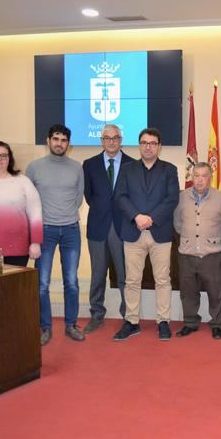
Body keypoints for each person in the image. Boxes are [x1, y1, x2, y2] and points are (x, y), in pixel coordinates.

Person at [113, 128, 179, 342]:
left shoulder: (170, 170)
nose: (148, 146)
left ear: (159, 146)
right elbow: (120, 197)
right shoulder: (126, 169)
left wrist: (150, 219)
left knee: (162, 279)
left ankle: (163, 321)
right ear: (139, 145)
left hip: (160, 233)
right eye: (144, 142)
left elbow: (171, 200)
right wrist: (136, 217)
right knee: (132, 280)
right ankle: (131, 321)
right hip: (133, 232)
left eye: (152, 143)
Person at [26, 124, 85, 346]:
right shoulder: (34, 168)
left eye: (64, 140)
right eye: (56, 139)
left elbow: (78, 197)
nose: (59, 143)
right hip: (45, 231)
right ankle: (45, 327)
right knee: (42, 283)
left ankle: (71, 325)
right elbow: (29, 201)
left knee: (71, 282)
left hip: (71, 230)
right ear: (48, 140)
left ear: (68, 144)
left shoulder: (77, 168)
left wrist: (66, 214)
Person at [82, 124, 135, 333]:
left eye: (115, 138)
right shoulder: (90, 164)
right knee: (97, 274)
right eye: (106, 138)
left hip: (123, 227)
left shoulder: (133, 164)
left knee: (124, 274)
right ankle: (96, 314)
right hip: (97, 226)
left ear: (120, 140)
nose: (111, 141)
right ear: (101, 141)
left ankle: (128, 316)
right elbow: (88, 194)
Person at [173, 162, 221, 339]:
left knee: (215, 291)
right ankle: (190, 322)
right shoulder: (181, 197)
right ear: (192, 177)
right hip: (187, 253)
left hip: (212, 254)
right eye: (197, 175)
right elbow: (178, 223)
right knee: (188, 291)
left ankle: (217, 324)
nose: (200, 180)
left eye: (204, 176)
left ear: (210, 178)